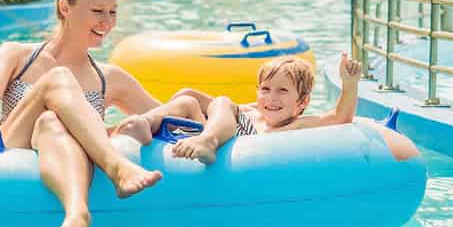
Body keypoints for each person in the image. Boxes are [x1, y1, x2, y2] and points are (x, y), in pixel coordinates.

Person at [0, 0, 165, 227]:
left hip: (61, 148)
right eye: (97, 12)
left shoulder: (110, 78)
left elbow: (162, 114)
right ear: (66, 8)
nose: (107, 22)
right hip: (15, 142)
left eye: (112, 13)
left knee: (51, 122)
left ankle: (77, 212)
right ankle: (117, 168)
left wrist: (236, 111)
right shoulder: (17, 55)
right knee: (59, 78)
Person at [121, 53, 363, 164]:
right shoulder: (252, 113)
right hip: (214, 134)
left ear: (302, 102)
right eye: (266, 89)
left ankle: (208, 142)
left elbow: (340, 117)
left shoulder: (298, 123)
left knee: (223, 101)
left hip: (230, 143)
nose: (272, 98)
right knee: (187, 99)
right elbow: (193, 97)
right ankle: (144, 123)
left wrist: (349, 84)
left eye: (282, 91)